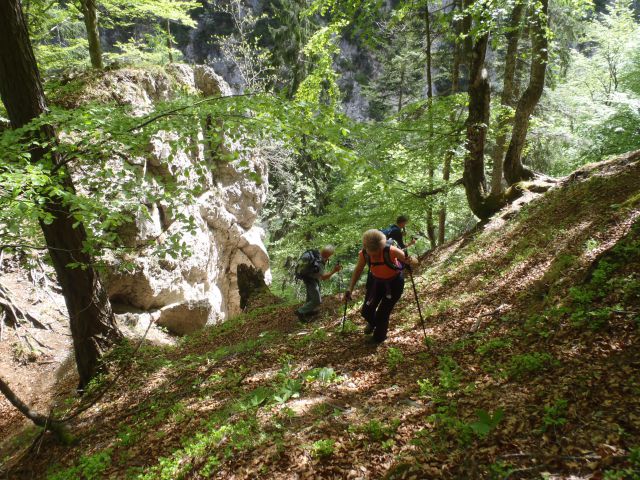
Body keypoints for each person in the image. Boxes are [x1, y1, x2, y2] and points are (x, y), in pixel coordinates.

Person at [344, 230, 417, 344]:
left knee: (383, 313)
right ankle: (374, 323)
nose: (376, 255)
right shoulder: (364, 254)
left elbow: (416, 262)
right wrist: (350, 288)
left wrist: (410, 260)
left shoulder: (391, 250)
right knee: (366, 311)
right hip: (376, 283)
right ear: (366, 247)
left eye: (378, 251)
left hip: (394, 284)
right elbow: (358, 270)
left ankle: (379, 338)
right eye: (373, 253)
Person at [295, 245, 342, 322]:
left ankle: (308, 311)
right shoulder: (319, 262)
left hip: (307, 276)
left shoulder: (315, 253)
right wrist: (334, 271)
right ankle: (300, 311)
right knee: (317, 300)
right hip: (310, 279)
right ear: (328, 255)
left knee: (310, 296)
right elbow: (323, 278)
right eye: (331, 255)